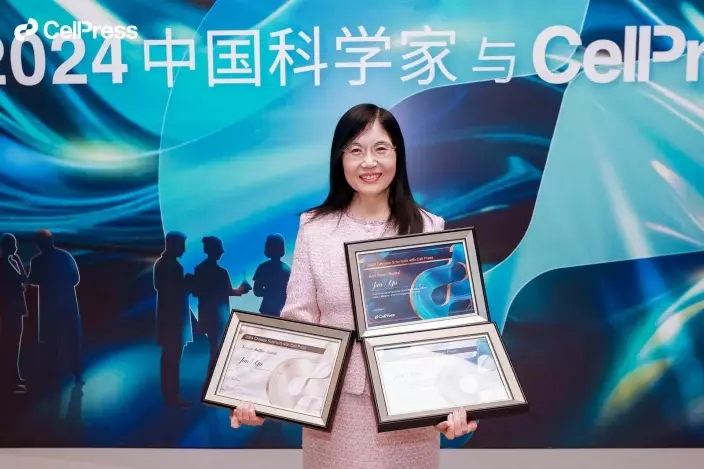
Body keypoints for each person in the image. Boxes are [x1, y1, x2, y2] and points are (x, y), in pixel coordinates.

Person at [229, 104, 477, 468]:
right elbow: (298, 322)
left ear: (398, 154)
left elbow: (446, 328)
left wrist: (455, 403)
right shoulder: (314, 229)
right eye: (355, 150)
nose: (368, 162)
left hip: (410, 410)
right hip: (335, 411)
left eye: (381, 148)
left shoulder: (429, 227)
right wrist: (262, 397)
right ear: (339, 159)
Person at [28, 230, 83, 385]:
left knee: (51, 341)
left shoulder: (37, 261)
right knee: (72, 340)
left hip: (49, 308)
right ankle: (76, 373)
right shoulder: (65, 256)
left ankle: (53, 374)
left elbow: (32, 280)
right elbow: (75, 278)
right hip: (68, 305)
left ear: (38, 244)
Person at [192, 236, 251, 374]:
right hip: (218, 317)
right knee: (218, 351)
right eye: (220, 248)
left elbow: (197, 292)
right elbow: (228, 292)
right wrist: (241, 290)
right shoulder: (221, 272)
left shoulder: (199, 269)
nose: (222, 251)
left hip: (206, 315)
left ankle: (211, 376)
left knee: (214, 350)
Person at [153, 231, 193, 407]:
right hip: (173, 321)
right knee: (172, 359)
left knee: (169, 358)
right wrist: (188, 284)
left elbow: (162, 287)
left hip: (168, 319)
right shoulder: (172, 266)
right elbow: (174, 293)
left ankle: (169, 394)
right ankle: (172, 395)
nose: (184, 249)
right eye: (182, 245)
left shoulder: (162, 264)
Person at [0, 233, 29, 394]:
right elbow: (20, 281)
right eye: (13, 244)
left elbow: (24, 280)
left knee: (14, 344)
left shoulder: (10, 263)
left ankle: (14, 376)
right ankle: (9, 380)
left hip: (14, 309)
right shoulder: (3, 264)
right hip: (10, 309)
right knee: (10, 344)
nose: (16, 248)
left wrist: (18, 262)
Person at [252, 234, 290, 316]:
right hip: (284, 309)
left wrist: (270, 292)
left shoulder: (263, 267)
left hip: (267, 309)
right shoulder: (287, 269)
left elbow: (257, 291)